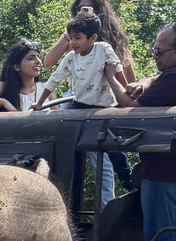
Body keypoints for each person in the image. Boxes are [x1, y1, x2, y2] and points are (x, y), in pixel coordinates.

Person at [104, 23, 176, 241]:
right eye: (154, 51)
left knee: (159, 238)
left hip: (163, 172)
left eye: (160, 52)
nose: (154, 57)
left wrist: (110, 74)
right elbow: (159, 76)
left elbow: (129, 106)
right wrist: (145, 82)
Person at [35, 12, 128, 207]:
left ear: (92, 38)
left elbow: (117, 72)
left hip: (104, 107)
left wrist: (127, 95)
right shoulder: (71, 57)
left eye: (77, 38)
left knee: (114, 149)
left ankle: (129, 182)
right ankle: (59, 182)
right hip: (80, 104)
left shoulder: (103, 49)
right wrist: (40, 103)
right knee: (65, 138)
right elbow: (55, 79)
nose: (73, 43)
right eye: (70, 39)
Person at [44, 0, 136, 82]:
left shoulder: (112, 37)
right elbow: (48, 62)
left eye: (88, 8)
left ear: (99, 10)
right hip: (77, 94)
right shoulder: (70, 36)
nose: (84, 12)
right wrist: (70, 35)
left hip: (107, 95)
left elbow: (126, 67)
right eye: (80, 8)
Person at [0, 39, 53, 111]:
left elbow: (57, 120)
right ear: (17, 67)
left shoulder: (47, 89)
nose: (38, 61)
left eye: (38, 56)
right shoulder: (5, 87)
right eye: (31, 58)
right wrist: (3, 102)